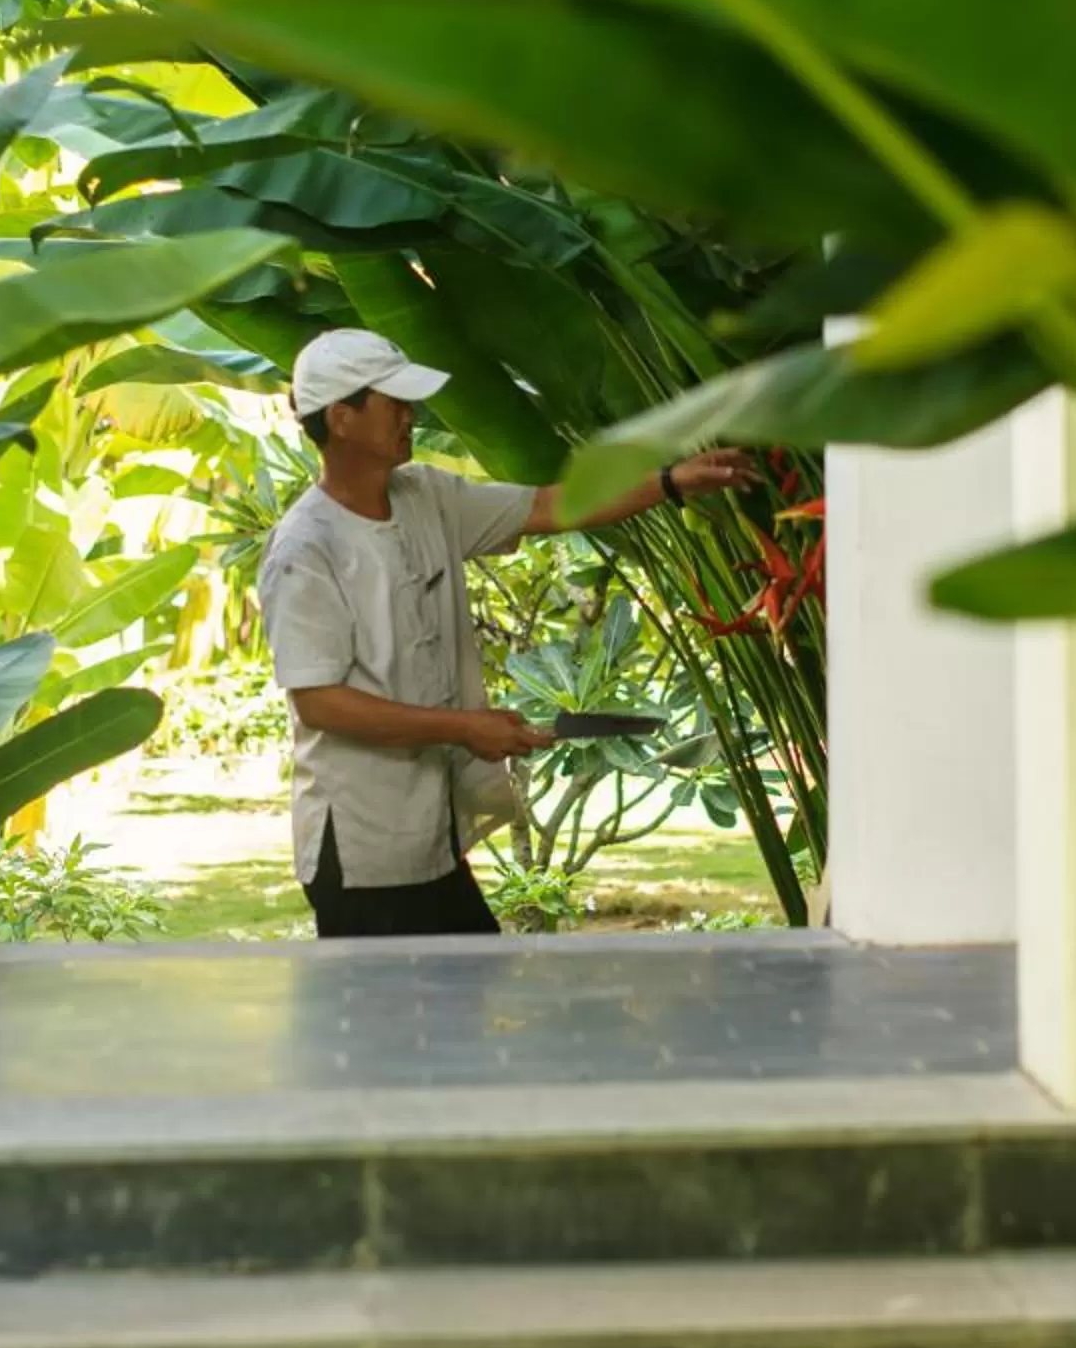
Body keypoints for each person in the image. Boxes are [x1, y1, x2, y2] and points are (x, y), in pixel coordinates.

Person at [257, 328, 754, 939]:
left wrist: (672, 482)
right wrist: (465, 728)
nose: (410, 416)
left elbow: (548, 507)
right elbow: (319, 701)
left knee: (461, 1006)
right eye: (395, 404)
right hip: (362, 849)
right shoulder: (306, 549)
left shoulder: (426, 496)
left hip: (431, 837)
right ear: (341, 418)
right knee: (387, 1031)